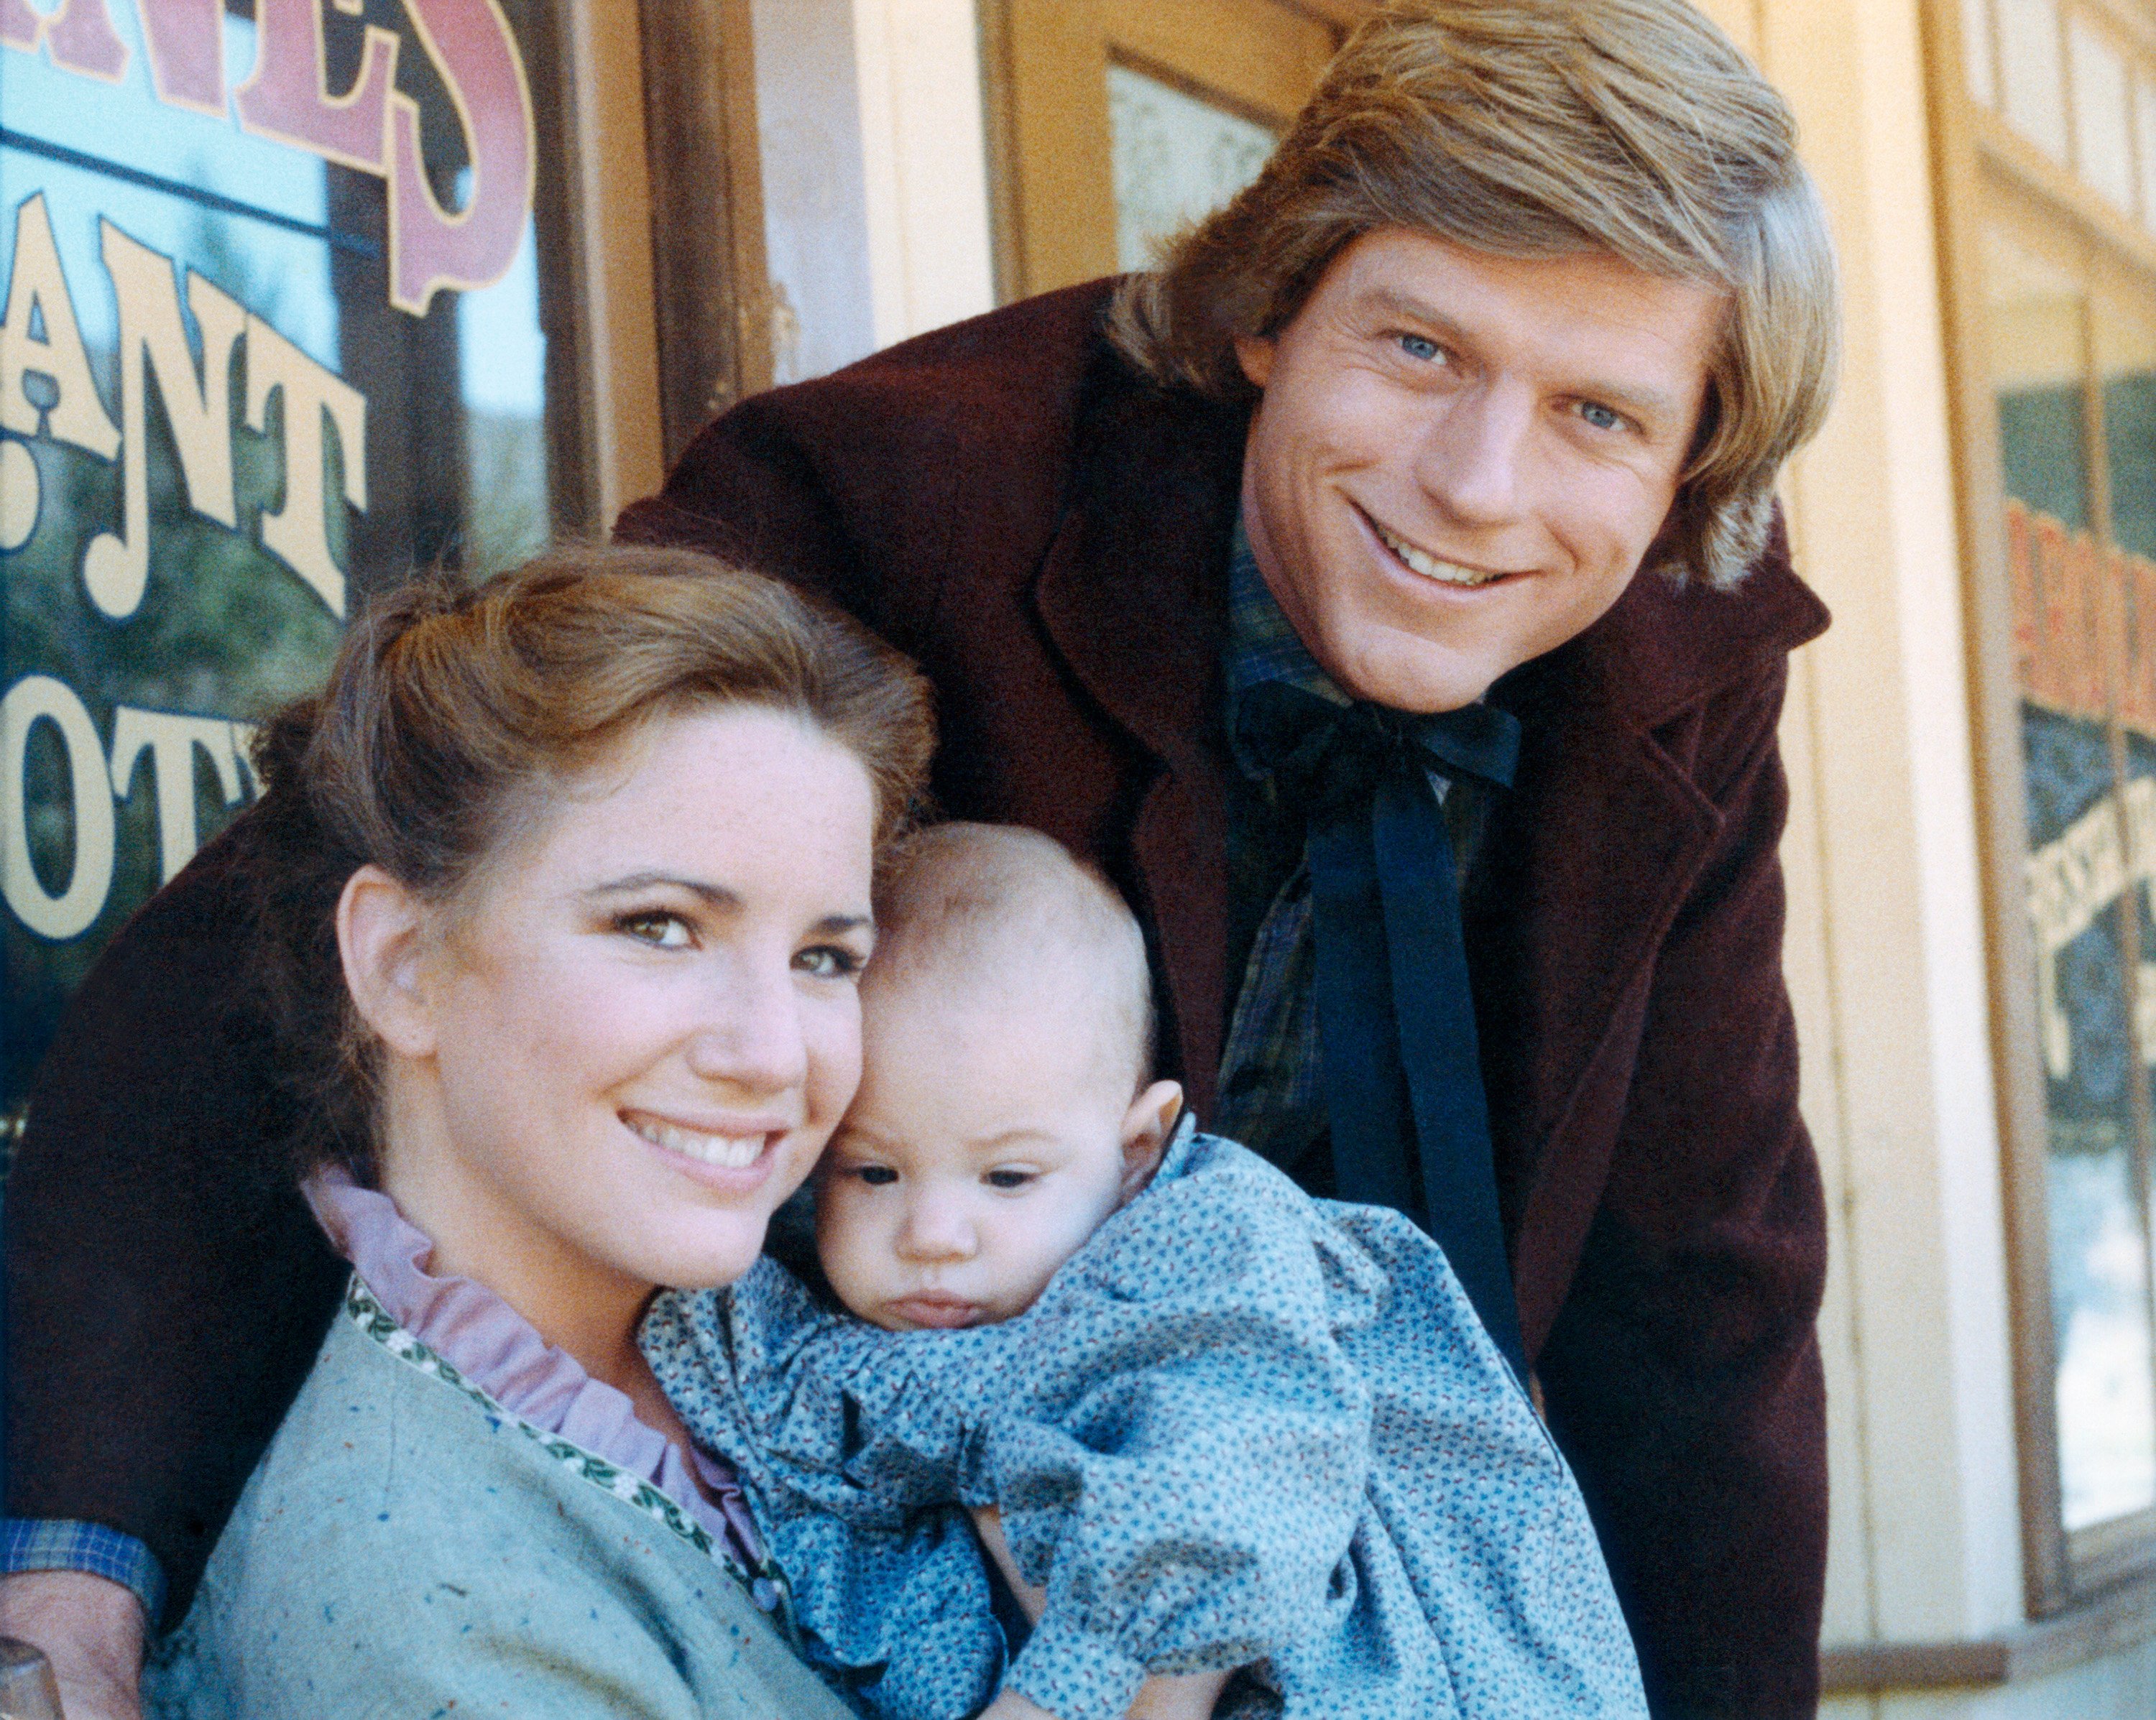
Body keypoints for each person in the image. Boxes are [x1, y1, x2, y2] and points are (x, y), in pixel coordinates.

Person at [4, 4, 1842, 1716]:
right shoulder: (909, 488)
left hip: (1349, 1526)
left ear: (1692, 470)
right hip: (872, 1519)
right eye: (1421, 347)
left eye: (1599, 415)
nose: (1480, 482)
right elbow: (319, 901)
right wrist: (85, 1536)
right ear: (1272, 312)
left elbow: (1704, 1287)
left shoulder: (1677, 651)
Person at [137, 545, 934, 1716]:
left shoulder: (822, 1295)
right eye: (659, 926)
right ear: (403, 965)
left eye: (826, 956)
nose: (773, 1051)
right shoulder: (421, 1605)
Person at [643, 820, 1651, 1720]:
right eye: (874, 1169)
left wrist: (1057, 1694)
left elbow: (1224, 1486)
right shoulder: (802, 1339)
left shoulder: (1195, 1250)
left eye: (1007, 1173)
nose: (935, 1231)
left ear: (1135, 1149)